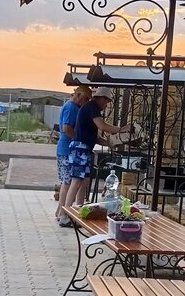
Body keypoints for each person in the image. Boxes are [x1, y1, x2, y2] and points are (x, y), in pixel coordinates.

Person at [66, 87, 131, 208]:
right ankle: (65, 212)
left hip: (84, 148)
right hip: (80, 148)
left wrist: (110, 143)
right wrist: (121, 129)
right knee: (76, 181)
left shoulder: (90, 109)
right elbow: (102, 126)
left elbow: (95, 138)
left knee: (84, 181)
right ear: (101, 98)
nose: (106, 106)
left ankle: (79, 209)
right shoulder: (92, 107)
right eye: (106, 102)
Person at [55, 85, 91, 224]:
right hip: (66, 149)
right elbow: (66, 128)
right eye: (86, 98)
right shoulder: (71, 107)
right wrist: (79, 139)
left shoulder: (72, 107)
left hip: (65, 149)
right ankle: (63, 214)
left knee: (67, 182)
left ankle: (60, 211)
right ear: (78, 95)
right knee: (68, 182)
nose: (86, 102)